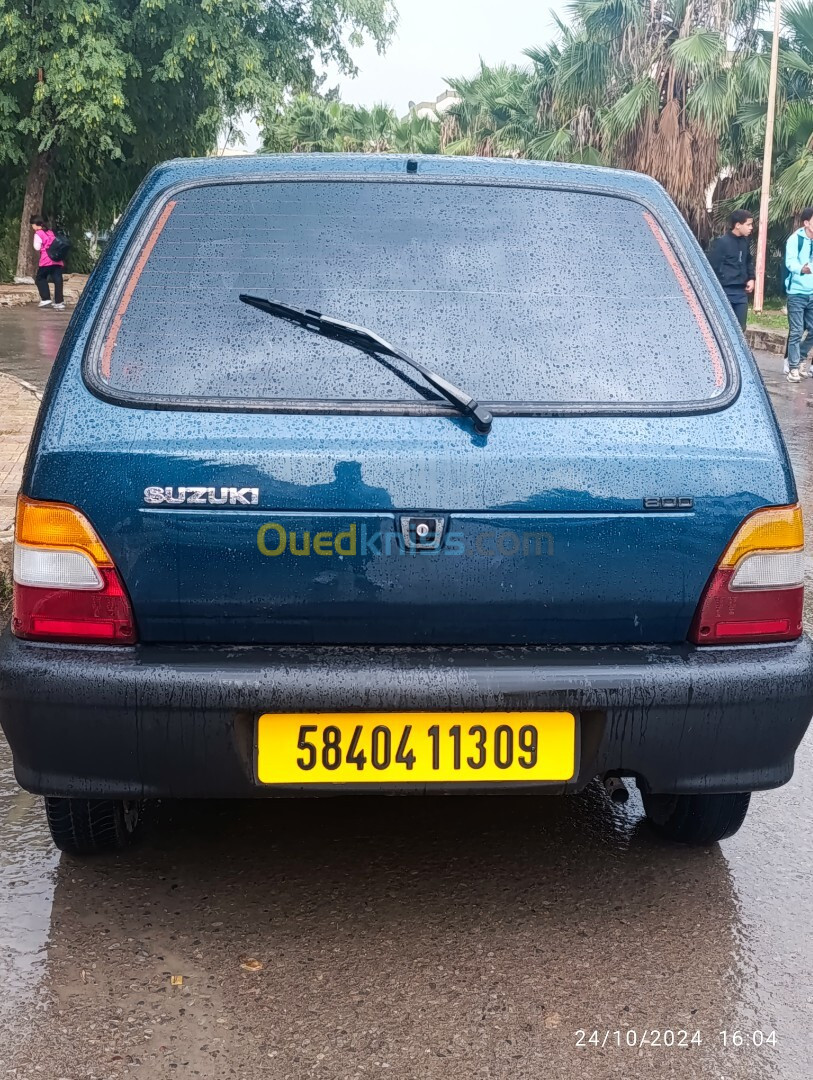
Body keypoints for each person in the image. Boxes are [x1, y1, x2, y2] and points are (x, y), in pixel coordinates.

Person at [707, 210, 755, 331]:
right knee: (724, 327)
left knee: (741, 328)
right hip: (725, 290)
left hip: (741, 291)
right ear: (738, 225)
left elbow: (748, 261)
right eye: (748, 224)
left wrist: (751, 278)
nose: (751, 228)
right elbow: (713, 265)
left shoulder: (745, 242)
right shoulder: (722, 242)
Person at [784, 206, 813, 383]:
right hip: (797, 293)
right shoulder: (796, 239)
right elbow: (790, 262)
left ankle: (801, 358)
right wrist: (801, 269)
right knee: (796, 331)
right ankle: (793, 368)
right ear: (807, 223)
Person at [30, 216, 65, 310]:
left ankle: (45, 298)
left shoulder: (38, 233)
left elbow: (37, 247)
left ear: (36, 225)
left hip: (46, 259)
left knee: (40, 278)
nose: (32, 226)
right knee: (58, 280)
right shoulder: (51, 232)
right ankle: (59, 302)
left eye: (32, 225)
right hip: (57, 259)